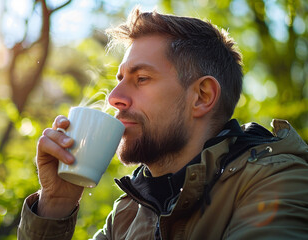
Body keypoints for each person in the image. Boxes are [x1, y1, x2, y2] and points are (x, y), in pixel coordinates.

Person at [18, 7, 308, 240]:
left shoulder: (277, 181)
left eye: (141, 79)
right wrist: (55, 204)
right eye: (119, 81)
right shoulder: (126, 214)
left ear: (202, 96)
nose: (114, 98)